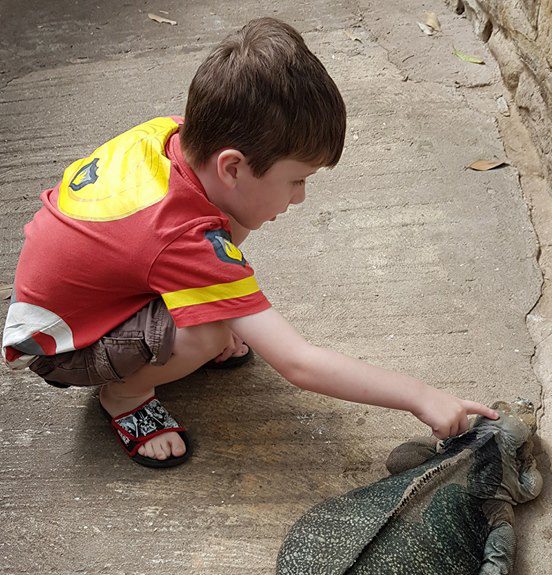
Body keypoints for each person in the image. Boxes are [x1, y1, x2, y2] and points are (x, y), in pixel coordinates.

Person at [2, 17, 498, 468]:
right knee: (211, 331)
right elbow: (298, 363)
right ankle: (125, 396)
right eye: (297, 180)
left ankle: (175, 329)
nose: (301, 197)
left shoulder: (171, 134)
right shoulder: (180, 238)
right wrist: (419, 395)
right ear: (232, 166)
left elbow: (197, 231)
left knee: (226, 249)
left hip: (85, 290)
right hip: (62, 345)